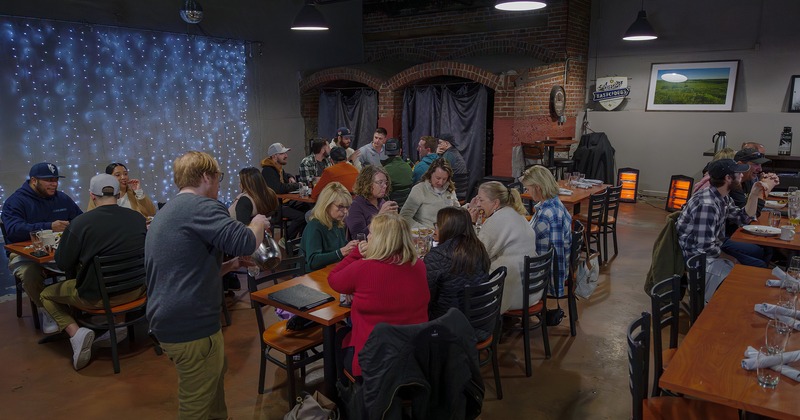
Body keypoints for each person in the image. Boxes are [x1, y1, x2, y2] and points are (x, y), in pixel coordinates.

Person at [146, 151, 268, 419]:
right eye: (218, 177)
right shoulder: (201, 206)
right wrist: (257, 222)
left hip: (169, 318)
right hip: (190, 324)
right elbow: (246, 241)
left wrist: (231, 266)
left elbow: (184, 271)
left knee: (212, 388)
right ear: (205, 177)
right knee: (197, 406)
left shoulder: (169, 210)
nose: (219, 184)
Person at [40, 174, 147, 370]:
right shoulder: (137, 219)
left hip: (99, 297)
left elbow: (63, 263)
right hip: (138, 290)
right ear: (117, 193)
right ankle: (119, 326)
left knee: (46, 294)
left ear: (92, 195)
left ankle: (76, 333)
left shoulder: (80, 224)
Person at [329, 212, 429, 377]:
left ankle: (344, 395)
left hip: (374, 362)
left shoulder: (363, 268)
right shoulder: (418, 266)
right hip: (414, 357)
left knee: (340, 335)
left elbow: (333, 279)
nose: (368, 237)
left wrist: (356, 254)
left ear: (381, 239)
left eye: (371, 233)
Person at [1, 162, 83, 333]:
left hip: (60, 250)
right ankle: (46, 310)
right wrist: (49, 226)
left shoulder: (62, 198)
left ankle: (82, 304)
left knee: (87, 260)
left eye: (55, 180)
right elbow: (13, 230)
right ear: (33, 180)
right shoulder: (15, 202)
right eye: (48, 180)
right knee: (29, 273)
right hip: (24, 254)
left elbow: (80, 219)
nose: (54, 184)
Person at [676, 159, 768, 301]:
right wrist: (731, 258)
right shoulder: (707, 205)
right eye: (739, 173)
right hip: (699, 260)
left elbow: (743, 218)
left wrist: (755, 194)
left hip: (712, 250)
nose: (742, 176)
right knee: (752, 270)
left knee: (758, 263)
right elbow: (705, 249)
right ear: (728, 178)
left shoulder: (722, 197)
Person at [468, 181, 536, 313]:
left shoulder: (497, 220)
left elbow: (475, 254)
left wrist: (470, 223)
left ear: (495, 203)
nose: (478, 204)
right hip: (531, 288)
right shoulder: (516, 213)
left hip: (513, 293)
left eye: (481, 200)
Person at [424, 206, 490, 324]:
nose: (435, 229)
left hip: (451, 326)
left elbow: (427, 298)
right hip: (483, 320)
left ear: (447, 228)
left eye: (437, 224)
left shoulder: (437, 256)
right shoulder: (478, 247)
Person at [719, 148, 779, 267]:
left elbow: (745, 217)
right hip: (724, 238)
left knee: (767, 249)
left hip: (730, 234)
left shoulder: (744, 183)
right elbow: (702, 245)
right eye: (756, 164)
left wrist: (760, 189)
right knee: (760, 253)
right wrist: (730, 259)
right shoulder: (729, 187)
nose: (760, 169)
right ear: (740, 165)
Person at [520, 165, 572, 297]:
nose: (527, 192)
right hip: (544, 267)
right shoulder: (554, 203)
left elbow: (556, 252)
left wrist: (555, 287)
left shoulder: (549, 213)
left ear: (538, 187)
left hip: (543, 274)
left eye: (529, 188)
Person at [300, 182, 359, 271]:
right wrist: (342, 252)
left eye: (347, 207)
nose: (345, 211)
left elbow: (340, 248)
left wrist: (352, 248)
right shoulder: (315, 226)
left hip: (333, 270)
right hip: (313, 276)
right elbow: (313, 261)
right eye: (341, 206)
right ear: (326, 205)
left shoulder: (338, 223)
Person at [261, 142, 307, 239]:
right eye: (282, 154)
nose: (286, 156)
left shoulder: (278, 168)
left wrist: (290, 176)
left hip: (284, 203)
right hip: (275, 207)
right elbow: (279, 189)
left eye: (285, 153)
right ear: (274, 156)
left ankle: (302, 240)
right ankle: (286, 240)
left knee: (307, 209)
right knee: (301, 217)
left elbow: (285, 176)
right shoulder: (268, 170)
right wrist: (296, 185)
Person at [400, 158, 459, 229]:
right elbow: (404, 216)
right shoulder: (419, 189)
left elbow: (457, 211)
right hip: (426, 235)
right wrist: (424, 230)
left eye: (444, 179)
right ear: (430, 174)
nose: (440, 182)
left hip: (447, 233)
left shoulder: (449, 189)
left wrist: (469, 207)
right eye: (438, 178)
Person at [345, 165, 398, 239]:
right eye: (380, 182)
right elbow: (358, 237)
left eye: (386, 182)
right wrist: (380, 216)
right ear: (367, 183)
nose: (385, 186)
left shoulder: (382, 201)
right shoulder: (355, 206)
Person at [87, 162, 156, 217]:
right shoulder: (98, 195)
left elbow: (151, 212)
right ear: (109, 178)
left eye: (125, 174)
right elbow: (91, 218)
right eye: (117, 175)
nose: (123, 177)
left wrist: (138, 191)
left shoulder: (134, 193)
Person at [381, 138, 413, 208]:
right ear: (400, 151)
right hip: (406, 207)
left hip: (389, 207)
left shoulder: (384, 170)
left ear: (385, 152)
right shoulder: (408, 167)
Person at [437, 133, 469, 201]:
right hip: (461, 192)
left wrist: (436, 154)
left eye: (440, 143)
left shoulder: (449, 155)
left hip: (455, 193)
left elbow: (438, 171)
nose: (438, 145)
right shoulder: (453, 153)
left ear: (446, 143)